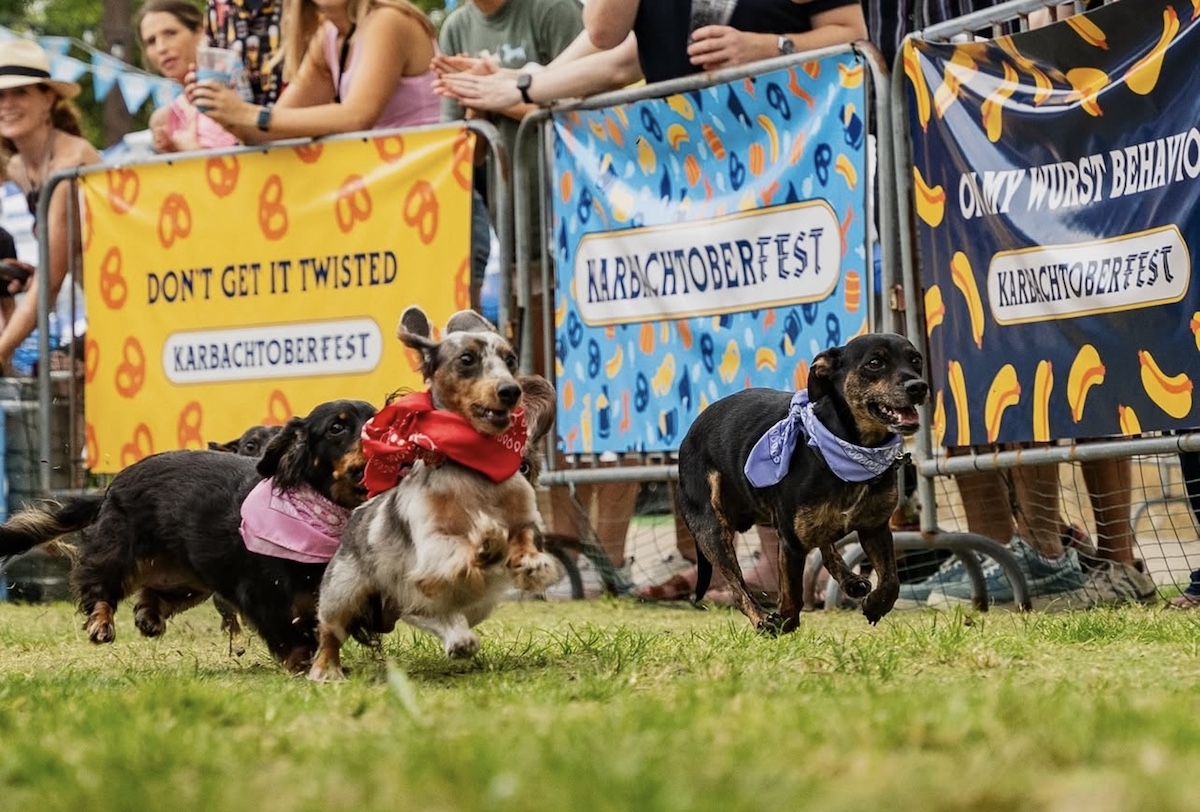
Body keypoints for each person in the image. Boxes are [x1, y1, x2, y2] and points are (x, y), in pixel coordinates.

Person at [439, 0, 867, 604]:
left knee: (777, 365)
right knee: (705, 379)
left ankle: (786, 559)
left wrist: (769, 47)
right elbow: (609, 48)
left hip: (784, 173)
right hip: (691, 190)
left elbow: (853, 33)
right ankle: (718, 563)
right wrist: (513, 83)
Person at [188, 0, 441, 144]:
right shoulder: (328, 37)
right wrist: (221, 109)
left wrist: (248, 113)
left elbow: (356, 117)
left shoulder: (388, 20)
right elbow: (271, 131)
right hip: (392, 192)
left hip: (436, 188)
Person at [0, 39, 103, 375]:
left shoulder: (71, 160)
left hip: (127, 304)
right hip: (99, 309)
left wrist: (2, 351)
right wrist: (26, 272)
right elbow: (60, 256)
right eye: (0, 95)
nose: (7, 104)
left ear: (48, 99)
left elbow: (53, 278)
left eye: (21, 93)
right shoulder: (17, 167)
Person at [138, 0, 241, 153]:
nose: (161, 48)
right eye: (151, 41)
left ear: (200, 31)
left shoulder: (237, 89)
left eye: (170, 33)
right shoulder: (165, 119)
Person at [207, 0, 285, 107]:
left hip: (292, 115)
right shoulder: (218, 4)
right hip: (233, 116)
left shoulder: (297, 4)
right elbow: (212, 56)